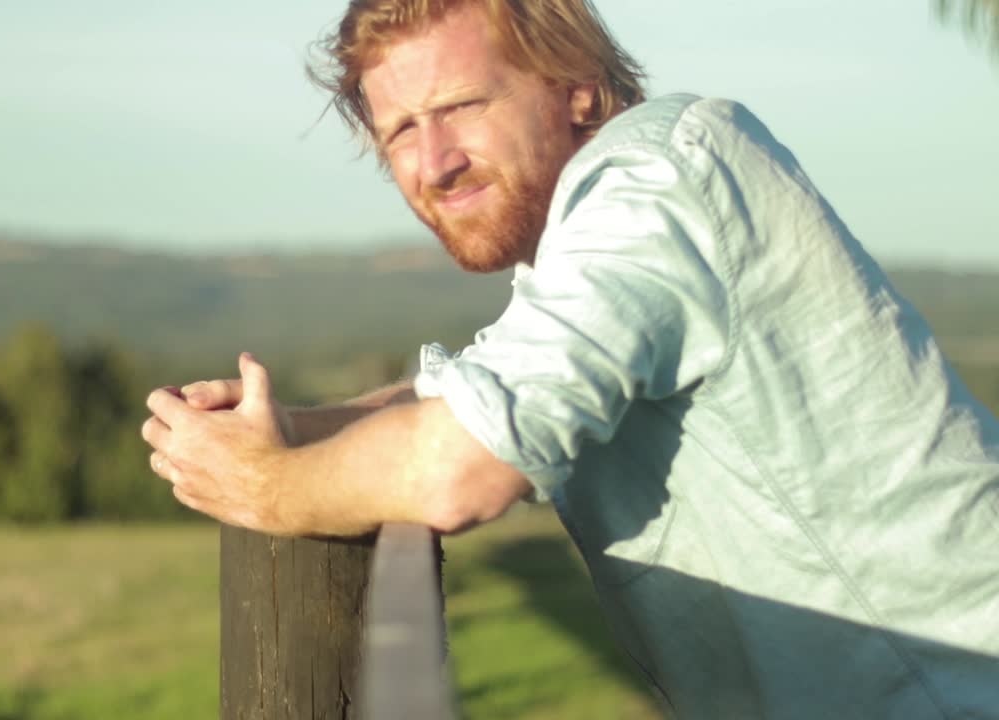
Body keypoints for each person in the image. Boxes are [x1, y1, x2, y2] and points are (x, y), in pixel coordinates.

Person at [141, 0, 999, 716]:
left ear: (577, 87)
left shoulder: (656, 180)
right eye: (401, 129)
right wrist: (293, 427)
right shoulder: (590, 236)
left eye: (462, 106)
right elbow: (470, 388)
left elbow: (472, 462)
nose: (433, 162)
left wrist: (270, 487)